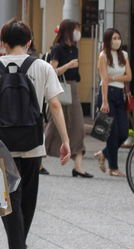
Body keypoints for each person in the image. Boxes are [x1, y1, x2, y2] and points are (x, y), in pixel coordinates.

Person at [0, 19, 71, 249]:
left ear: (3, 43)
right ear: (29, 42)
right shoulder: (43, 67)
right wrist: (65, 140)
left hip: (2, 146)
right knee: (28, 198)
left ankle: (17, 245)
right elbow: (55, 105)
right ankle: (19, 244)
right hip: (33, 145)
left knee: (9, 198)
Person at [44, 19, 90, 177]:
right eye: (75, 29)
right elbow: (52, 71)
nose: (78, 32)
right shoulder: (57, 48)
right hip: (60, 88)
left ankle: (78, 166)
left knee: (78, 125)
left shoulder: (75, 48)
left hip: (73, 89)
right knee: (53, 125)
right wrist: (68, 65)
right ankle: (38, 160)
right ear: (68, 31)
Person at [93, 28, 132, 177]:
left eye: (118, 38)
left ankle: (103, 154)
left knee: (123, 132)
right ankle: (113, 168)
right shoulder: (103, 56)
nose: (117, 41)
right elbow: (104, 79)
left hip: (120, 95)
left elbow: (129, 76)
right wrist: (104, 101)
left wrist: (114, 78)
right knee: (112, 134)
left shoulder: (124, 55)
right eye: (114, 38)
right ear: (108, 40)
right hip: (107, 95)